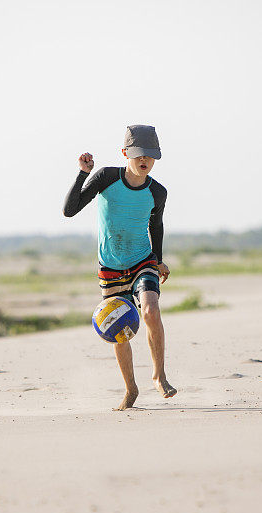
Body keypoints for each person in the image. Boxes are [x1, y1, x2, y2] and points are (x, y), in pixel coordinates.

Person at [63, 125, 177, 410]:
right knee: (119, 329)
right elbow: (70, 210)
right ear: (125, 153)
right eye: (138, 155)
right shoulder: (106, 178)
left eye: (150, 157)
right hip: (111, 266)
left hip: (143, 261)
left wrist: (159, 258)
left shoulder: (157, 192)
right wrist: (83, 173)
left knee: (150, 310)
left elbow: (156, 226)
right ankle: (130, 390)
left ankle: (159, 375)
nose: (144, 161)